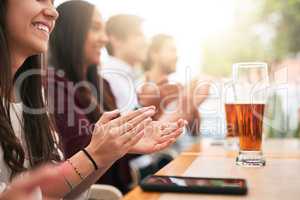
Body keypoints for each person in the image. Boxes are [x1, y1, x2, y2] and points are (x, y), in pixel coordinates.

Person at [0, 0, 185, 199]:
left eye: (53, 2)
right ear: (72, 32)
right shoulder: (55, 86)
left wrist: (106, 152)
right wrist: (100, 152)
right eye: (96, 29)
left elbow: (60, 192)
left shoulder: (36, 93)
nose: (53, 12)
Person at [140, 34, 210, 134]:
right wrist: (189, 100)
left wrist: (191, 102)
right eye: (172, 50)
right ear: (154, 54)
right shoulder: (141, 88)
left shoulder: (177, 88)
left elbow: (195, 130)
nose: (176, 56)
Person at [102, 14, 147, 113]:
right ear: (116, 39)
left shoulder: (126, 77)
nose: (145, 42)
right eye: (138, 35)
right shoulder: (109, 78)